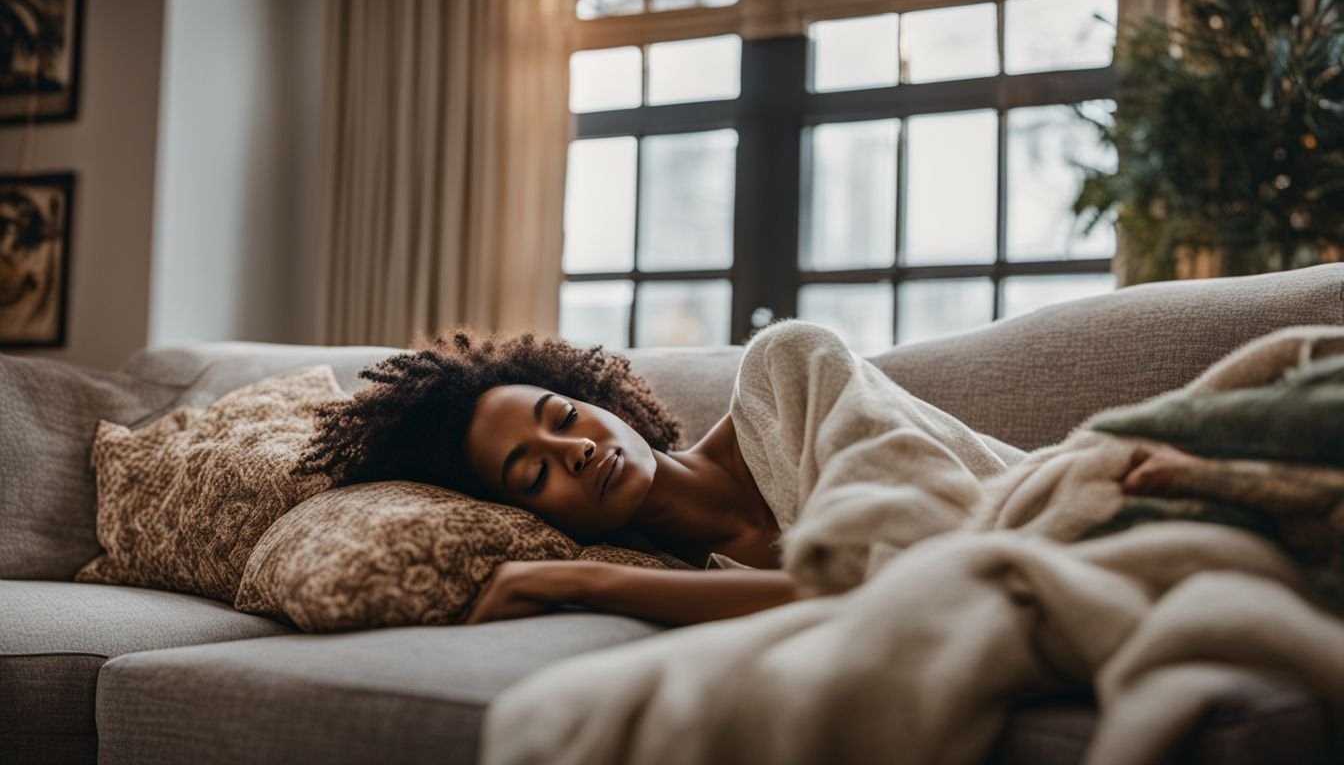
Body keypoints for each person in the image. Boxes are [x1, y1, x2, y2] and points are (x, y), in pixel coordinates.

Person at [297, 321, 1015, 626]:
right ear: (530, 519)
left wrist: (586, 582)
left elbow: (927, 559)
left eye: (562, 416)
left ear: (596, 399)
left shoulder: (784, 372)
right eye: (532, 474)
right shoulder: (686, 576)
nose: (571, 451)